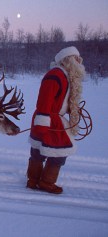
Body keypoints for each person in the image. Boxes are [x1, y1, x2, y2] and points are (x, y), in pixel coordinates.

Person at [27, 46, 85, 194]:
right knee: (57, 153)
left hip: (52, 118)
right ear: (68, 60)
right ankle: (44, 183)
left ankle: (33, 181)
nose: (80, 62)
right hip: (48, 119)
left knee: (39, 150)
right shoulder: (55, 75)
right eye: (76, 59)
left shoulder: (66, 75)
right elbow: (44, 100)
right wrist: (42, 124)